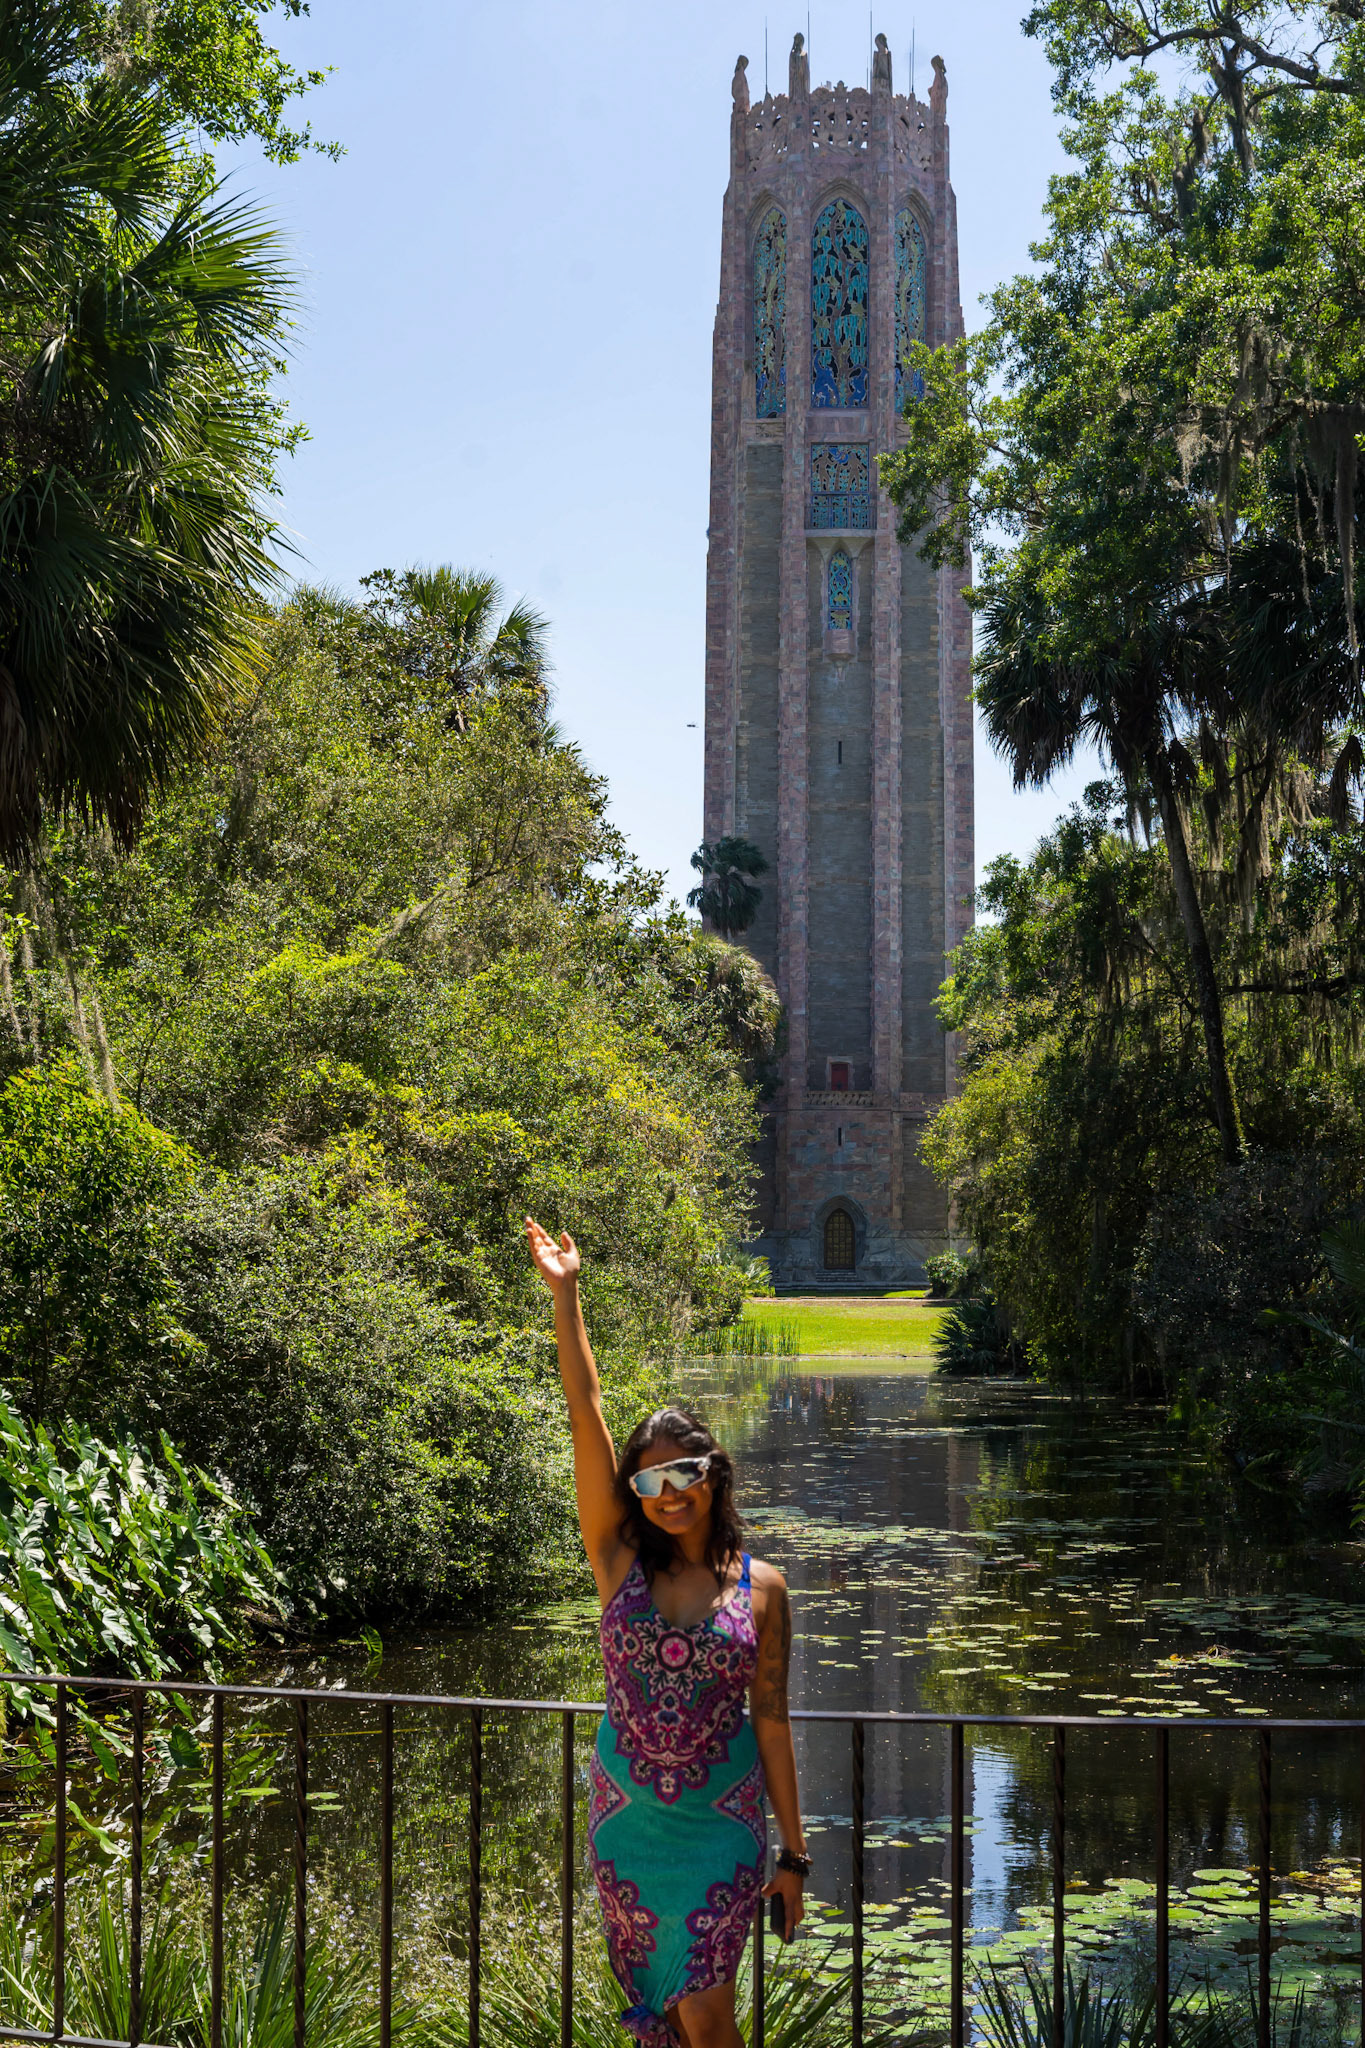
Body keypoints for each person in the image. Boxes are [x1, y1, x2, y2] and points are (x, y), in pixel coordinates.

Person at [525, 1217, 810, 2048]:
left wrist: (793, 1856)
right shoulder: (617, 1561)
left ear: (712, 1473)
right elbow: (584, 1411)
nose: (667, 1493)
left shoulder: (763, 1589)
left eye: (682, 1472)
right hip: (629, 1824)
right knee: (667, 2019)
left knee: (707, 2012)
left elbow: (771, 1723)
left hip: (721, 1826)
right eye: (648, 1481)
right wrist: (566, 1295)